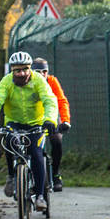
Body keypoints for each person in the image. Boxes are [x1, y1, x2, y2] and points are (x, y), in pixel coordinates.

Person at [0, 51, 58, 211]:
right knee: (9, 143)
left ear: (30, 68)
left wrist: (50, 119)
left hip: (36, 124)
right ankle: (12, 176)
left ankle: (39, 196)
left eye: (25, 69)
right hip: (14, 123)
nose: (21, 73)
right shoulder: (6, 82)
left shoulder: (38, 80)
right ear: (12, 70)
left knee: (37, 155)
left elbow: (49, 99)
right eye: (17, 70)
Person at [31, 57, 71, 192]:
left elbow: (61, 100)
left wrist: (65, 120)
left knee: (57, 140)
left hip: (51, 116)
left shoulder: (52, 81)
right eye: (38, 71)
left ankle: (55, 174)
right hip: (34, 117)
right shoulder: (28, 83)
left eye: (45, 71)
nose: (42, 74)